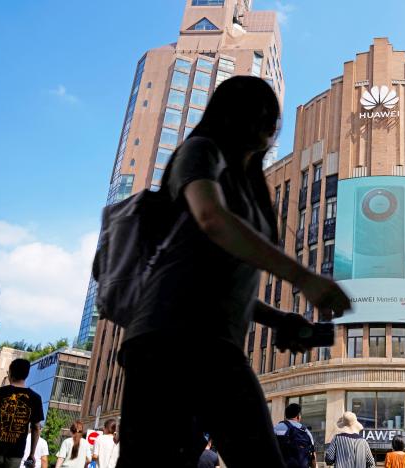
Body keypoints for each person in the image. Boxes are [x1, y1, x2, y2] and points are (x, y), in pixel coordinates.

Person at [115, 75, 351, 468]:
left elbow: (220, 281)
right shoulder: (200, 151)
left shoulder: (249, 187)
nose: (267, 122)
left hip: (217, 345)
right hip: (166, 341)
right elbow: (211, 218)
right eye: (255, 110)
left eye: (271, 114)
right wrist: (304, 278)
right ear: (229, 115)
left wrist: (279, 319)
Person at [0, 359, 44, 468]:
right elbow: (36, 427)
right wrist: (31, 454)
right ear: (27, 374)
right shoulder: (35, 398)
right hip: (15, 454)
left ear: (10, 372)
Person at [275, 403, 315, 468]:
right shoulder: (306, 431)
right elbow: (313, 455)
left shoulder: (277, 428)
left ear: (286, 416)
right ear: (298, 416)